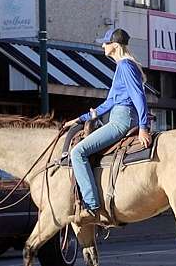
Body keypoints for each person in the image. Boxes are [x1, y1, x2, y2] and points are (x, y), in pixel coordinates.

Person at [63, 28, 151, 224]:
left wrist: (144, 126)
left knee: (78, 152)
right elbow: (108, 103)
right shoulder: (123, 66)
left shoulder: (125, 66)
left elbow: (139, 96)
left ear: (116, 45)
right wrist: (80, 119)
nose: (103, 45)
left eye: (106, 42)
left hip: (121, 119)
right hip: (120, 115)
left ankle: (92, 207)